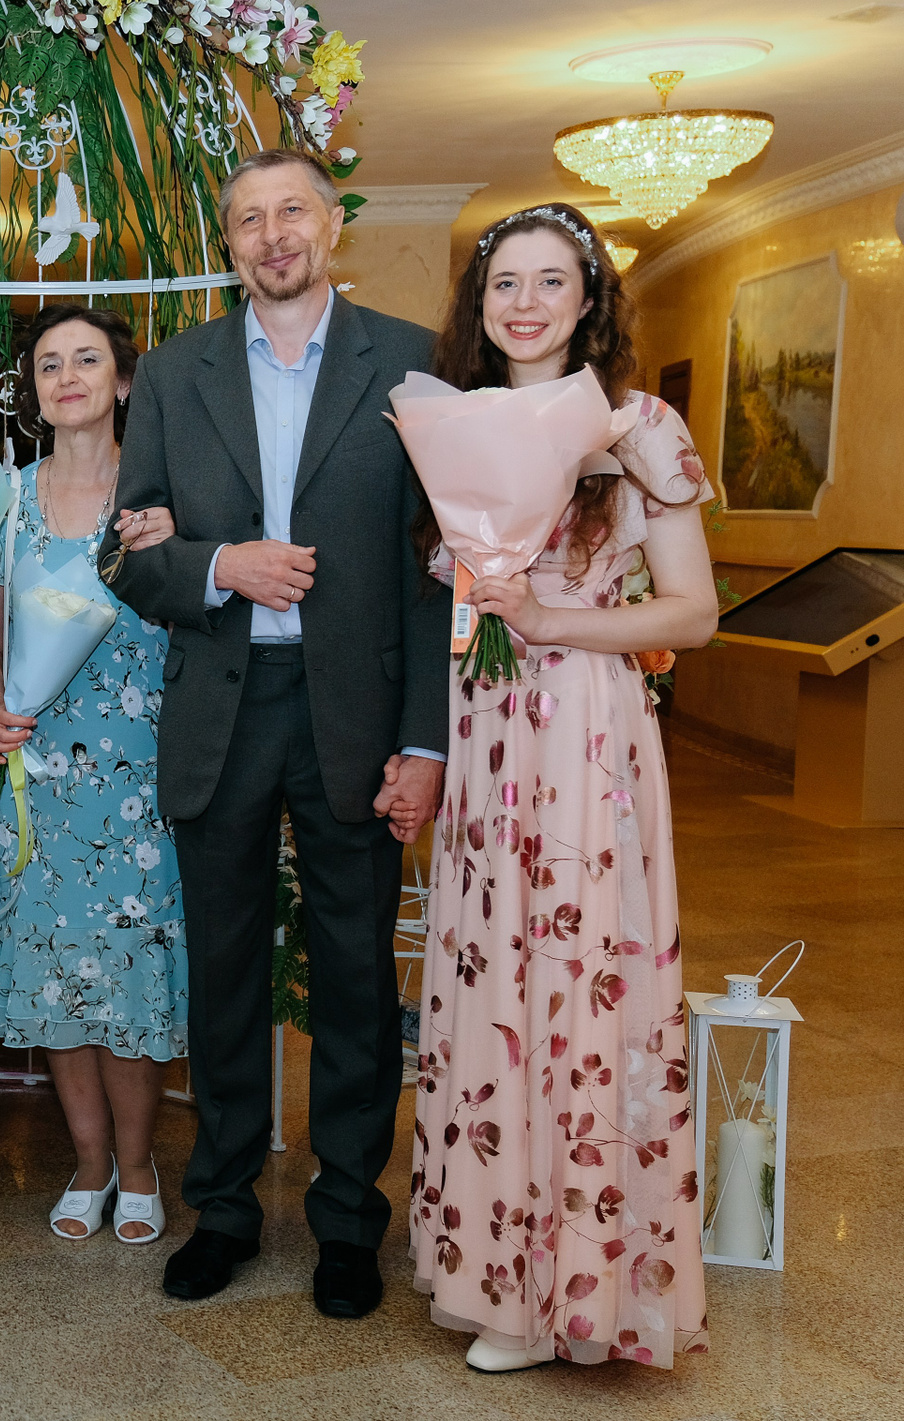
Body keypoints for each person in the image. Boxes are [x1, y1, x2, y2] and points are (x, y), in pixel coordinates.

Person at [96, 148, 451, 1310]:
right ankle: (227, 1207)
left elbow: (437, 570)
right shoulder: (173, 372)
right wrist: (219, 567)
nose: (273, 233)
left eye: (292, 209)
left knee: (356, 973)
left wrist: (426, 741)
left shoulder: (414, 362)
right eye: (249, 218)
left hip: (358, 713)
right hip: (224, 705)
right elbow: (125, 553)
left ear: (332, 226)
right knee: (226, 974)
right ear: (230, 244)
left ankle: (349, 1217)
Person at [400, 204, 713, 1372]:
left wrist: (551, 618)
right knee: (493, 979)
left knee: (579, 979)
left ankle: (579, 1292)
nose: (524, 303)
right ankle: (499, 1276)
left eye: (549, 282)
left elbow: (694, 611)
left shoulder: (639, 428)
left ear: (590, 302)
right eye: (504, 284)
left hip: (584, 732)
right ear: (478, 306)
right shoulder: (455, 422)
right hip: (487, 735)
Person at [0, 304, 185, 1245]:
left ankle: (139, 1163)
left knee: (126, 975)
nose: (68, 377)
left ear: (123, 381)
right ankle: (89, 1163)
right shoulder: (8, 500)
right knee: (56, 980)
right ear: (34, 391)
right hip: (36, 771)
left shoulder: (160, 498)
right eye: (49, 364)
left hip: (141, 778)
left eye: (87, 359)